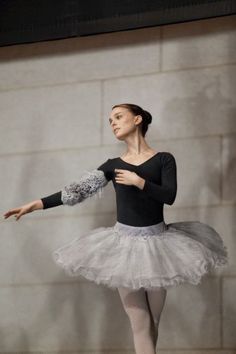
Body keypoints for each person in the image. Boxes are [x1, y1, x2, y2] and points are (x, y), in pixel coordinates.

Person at [3, 103, 228, 354]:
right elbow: (76, 192)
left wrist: (138, 181)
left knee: (153, 322)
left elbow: (169, 196)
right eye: (110, 120)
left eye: (119, 117)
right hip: (125, 248)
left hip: (159, 245)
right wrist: (36, 204)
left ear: (138, 119)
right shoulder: (112, 165)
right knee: (140, 324)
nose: (113, 123)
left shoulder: (164, 159)